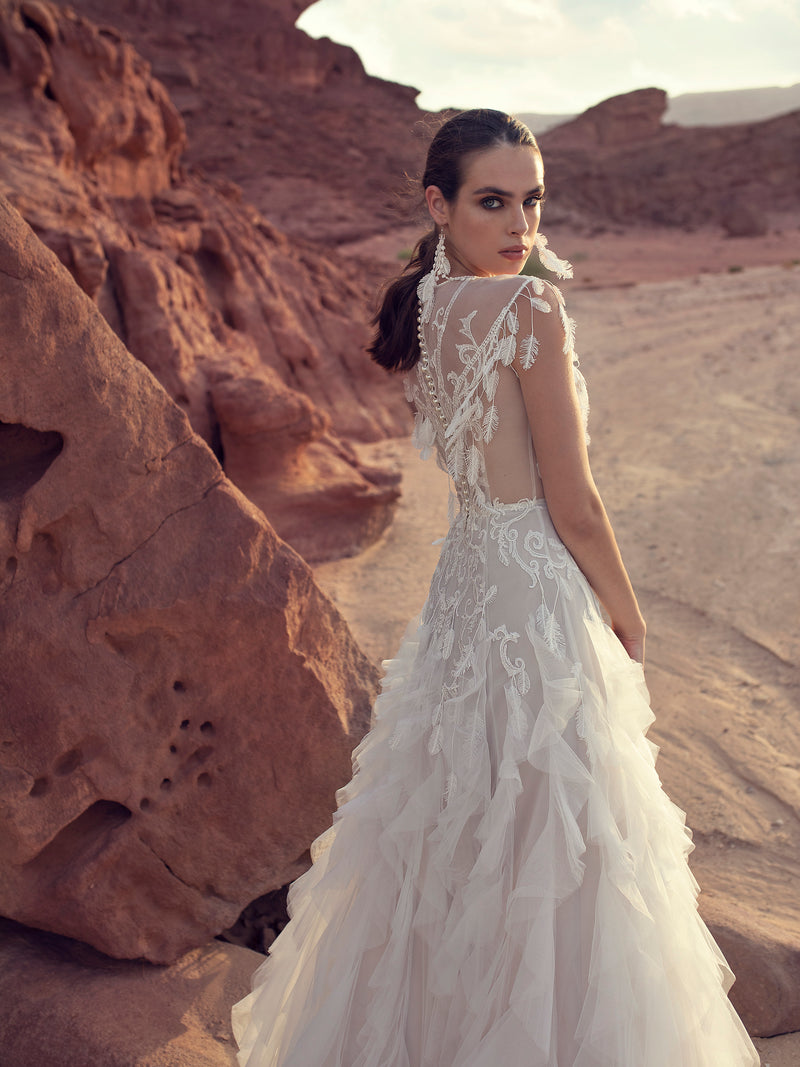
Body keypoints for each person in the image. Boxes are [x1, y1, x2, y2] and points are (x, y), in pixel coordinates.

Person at [232, 109, 760, 1066]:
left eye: (532, 201)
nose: (521, 225)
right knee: (559, 841)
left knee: (452, 827)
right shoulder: (528, 308)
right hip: (534, 596)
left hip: (465, 592)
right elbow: (577, 501)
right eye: (493, 202)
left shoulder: (429, 309)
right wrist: (629, 616)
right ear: (439, 205)